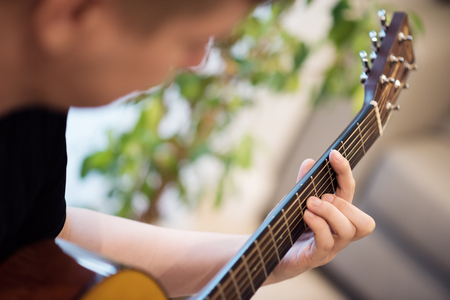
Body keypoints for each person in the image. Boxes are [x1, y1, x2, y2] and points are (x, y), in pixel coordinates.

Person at [0, 0, 376, 297]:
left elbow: (40, 234)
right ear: (72, 13)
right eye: (193, 40)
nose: (197, 62)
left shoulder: (37, 108)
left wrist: (272, 255)